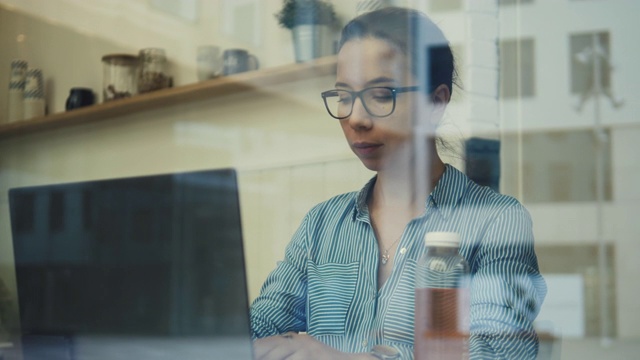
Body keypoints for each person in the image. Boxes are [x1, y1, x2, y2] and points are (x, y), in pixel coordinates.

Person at [250, 7, 546, 360]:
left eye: (381, 94)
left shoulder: (495, 220)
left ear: (435, 103)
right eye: (344, 96)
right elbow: (257, 329)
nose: (356, 118)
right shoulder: (322, 225)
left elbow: (500, 352)